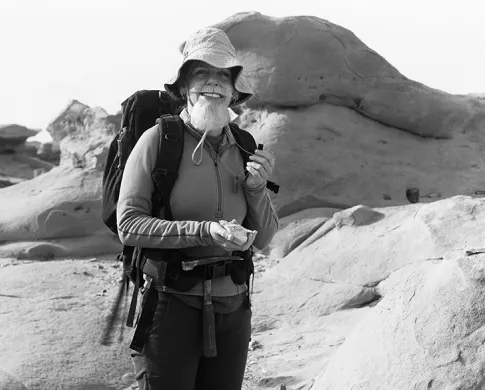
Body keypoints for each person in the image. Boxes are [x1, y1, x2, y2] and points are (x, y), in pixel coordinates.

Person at [116, 27, 279, 390]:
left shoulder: (245, 145)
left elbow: (266, 237)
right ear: (183, 85)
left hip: (234, 308)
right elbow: (128, 224)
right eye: (201, 72)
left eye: (223, 74)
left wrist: (256, 190)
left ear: (234, 90)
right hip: (170, 307)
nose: (214, 83)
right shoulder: (159, 140)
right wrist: (204, 230)